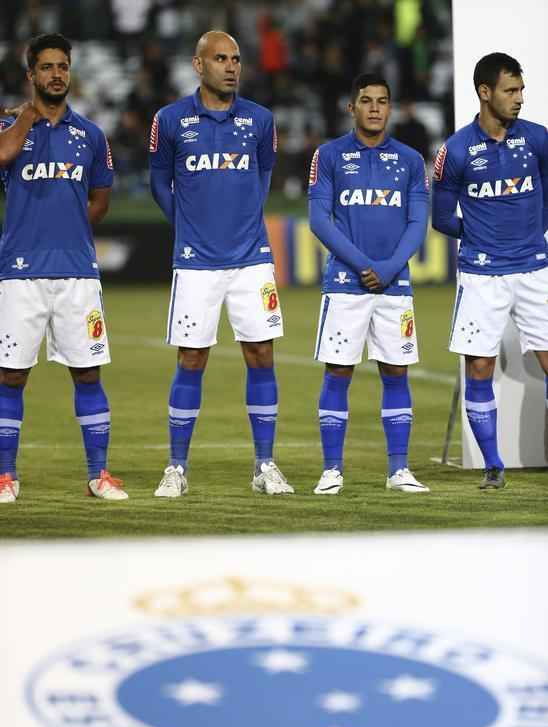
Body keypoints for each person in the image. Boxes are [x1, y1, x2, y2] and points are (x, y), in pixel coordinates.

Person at [149, 30, 293, 498]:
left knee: (262, 355)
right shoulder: (170, 120)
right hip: (195, 263)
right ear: (198, 64)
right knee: (191, 358)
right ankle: (176, 467)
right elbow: (158, 183)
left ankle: (265, 465)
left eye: (236, 58)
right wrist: (189, 227)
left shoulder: (260, 120)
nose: (231, 66)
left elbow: (263, 177)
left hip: (251, 259)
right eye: (220, 59)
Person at [0, 33, 127, 503]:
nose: (57, 74)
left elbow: (101, 200)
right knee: (10, 375)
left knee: (88, 372)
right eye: (47, 67)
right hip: (20, 273)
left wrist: (68, 229)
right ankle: (4, 476)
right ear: (31, 74)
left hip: (77, 273)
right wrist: (28, 117)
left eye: (63, 67)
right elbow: (2, 156)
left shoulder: (91, 136)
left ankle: (100, 475)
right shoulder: (9, 126)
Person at [309, 73, 430, 495]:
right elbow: (319, 220)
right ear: (352, 108)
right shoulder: (328, 156)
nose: (375, 108)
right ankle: (331, 470)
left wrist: (391, 266)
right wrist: (364, 265)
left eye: (382, 101)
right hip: (345, 284)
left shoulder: (412, 161)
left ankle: (399, 470)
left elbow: (418, 221)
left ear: (390, 108)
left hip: (394, 286)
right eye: (366, 100)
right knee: (339, 371)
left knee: (396, 372)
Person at [432, 52, 548, 489]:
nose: (518, 99)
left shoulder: (538, 139)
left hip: (536, 270)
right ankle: (493, 466)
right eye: (510, 91)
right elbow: (442, 218)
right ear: (485, 92)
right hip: (482, 275)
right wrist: (483, 236)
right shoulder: (456, 151)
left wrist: (531, 234)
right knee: (478, 367)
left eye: (520, 90)